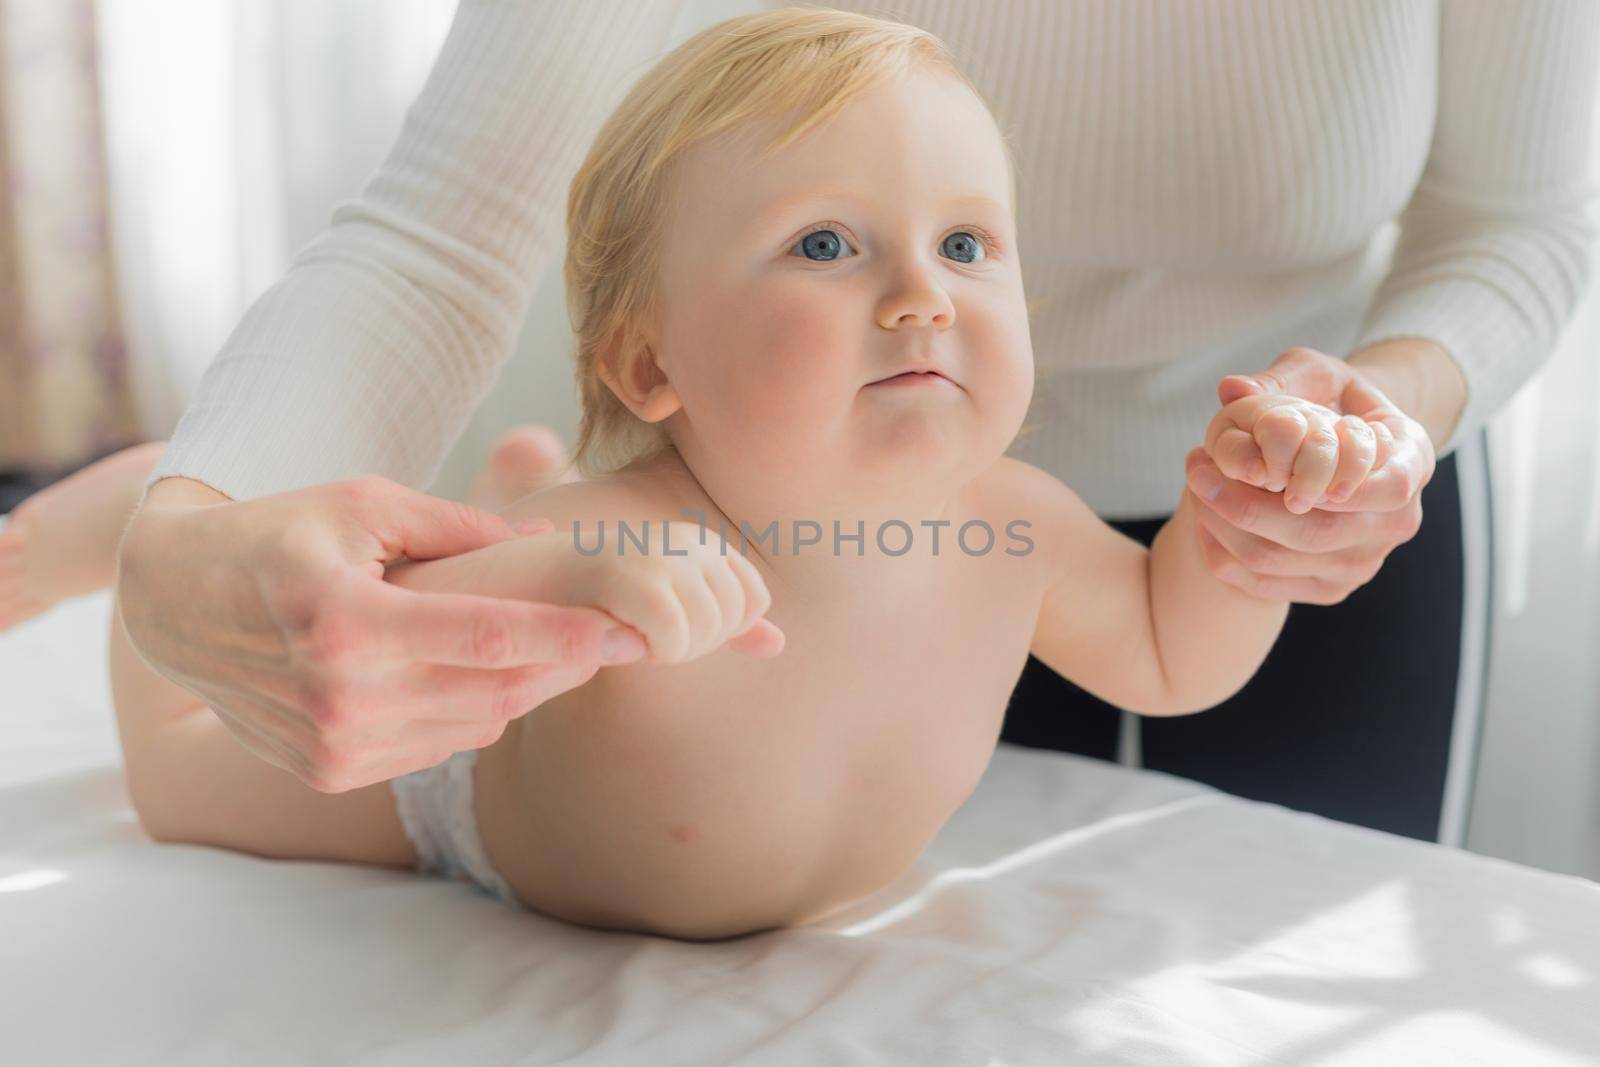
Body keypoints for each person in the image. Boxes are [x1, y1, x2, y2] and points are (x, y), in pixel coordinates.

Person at [4, 8, 1392, 937]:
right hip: (460, 805)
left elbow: (1169, 653)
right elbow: (411, 605)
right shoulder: (630, 525)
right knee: (180, 776)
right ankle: (136, 501)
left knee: (503, 500)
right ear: (650, 368)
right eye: (828, 246)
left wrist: (1232, 540)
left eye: (968, 246)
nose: (922, 295)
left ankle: (501, 464)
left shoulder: (1012, 528)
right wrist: (567, 563)